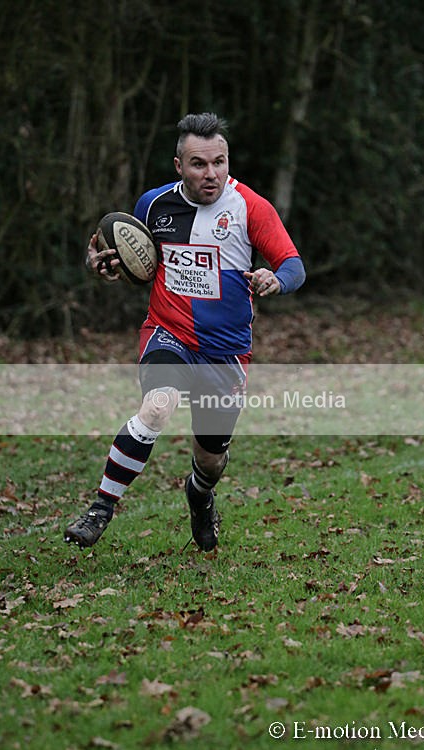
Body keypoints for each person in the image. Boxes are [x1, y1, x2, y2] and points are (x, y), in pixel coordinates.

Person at [64, 112, 305, 552]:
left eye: (219, 162)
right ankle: (101, 507)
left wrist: (277, 279)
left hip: (226, 353)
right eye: (199, 164)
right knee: (156, 408)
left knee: (210, 458)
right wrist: (98, 264)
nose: (210, 173)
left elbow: (294, 264)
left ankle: (200, 492)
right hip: (168, 332)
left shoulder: (250, 207)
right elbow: (121, 259)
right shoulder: (152, 206)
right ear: (179, 166)